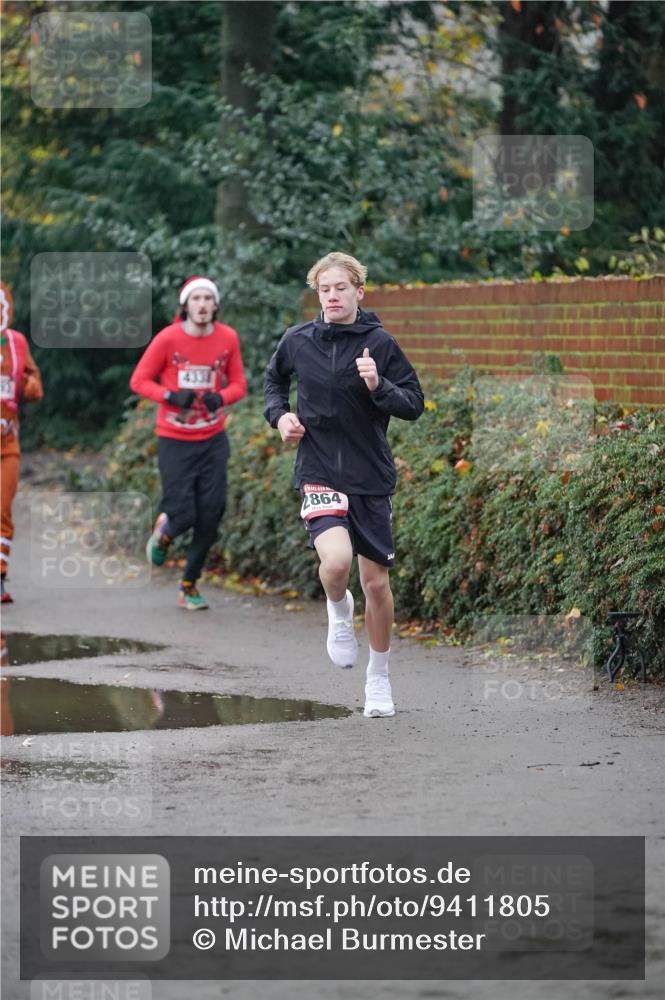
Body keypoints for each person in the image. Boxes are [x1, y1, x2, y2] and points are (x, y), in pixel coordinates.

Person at [264, 252, 423, 717]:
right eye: (324, 289)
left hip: (370, 476)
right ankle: (337, 610)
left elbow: (413, 402)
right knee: (335, 564)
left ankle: (378, 679)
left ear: (358, 292)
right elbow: (273, 382)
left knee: (376, 585)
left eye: (340, 288)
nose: (331, 296)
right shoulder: (298, 340)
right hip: (318, 470)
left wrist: (379, 387)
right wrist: (281, 417)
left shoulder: (380, 343)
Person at [130, 276, 247, 610]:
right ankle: (166, 532)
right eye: (195, 298)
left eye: (207, 298)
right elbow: (139, 380)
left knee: (212, 512)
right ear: (186, 305)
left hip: (212, 437)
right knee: (183, 512)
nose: (202, 304)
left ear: (215, 305)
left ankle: (188, 585)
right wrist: (169, 395)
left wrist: (221, 398)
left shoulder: (228, 338)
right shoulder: (168, 338)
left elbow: (239, 383)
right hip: (174, 438)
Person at [1, 281, 44, 604]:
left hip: (7, 444)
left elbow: (33, 381)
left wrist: (30, 386)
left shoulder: (16, 343)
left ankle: (0, 577)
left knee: (2, 510)